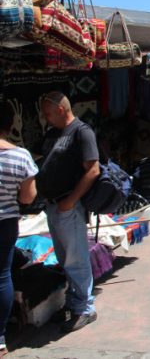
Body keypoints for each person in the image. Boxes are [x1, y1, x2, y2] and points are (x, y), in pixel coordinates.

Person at [37, 91, 100, 333]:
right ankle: (74, 303)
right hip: (55, 205)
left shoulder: (81, 132)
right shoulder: (54, 133)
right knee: (66, 259)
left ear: (61, 110)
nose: (45, 118)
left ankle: (85, 309)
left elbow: (92, 170)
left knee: (76, 259)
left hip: (68, 206)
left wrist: (71, 201)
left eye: (48, 113)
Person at [0, 102, 38, 357]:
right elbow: (28, 198)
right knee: (2, 276)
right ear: (11, 125)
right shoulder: (20, 156)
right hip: (5, 223)